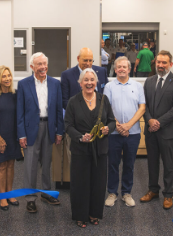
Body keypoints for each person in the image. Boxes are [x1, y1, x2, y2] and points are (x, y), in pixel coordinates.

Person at [65, 68, 116, 228]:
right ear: (80, 83)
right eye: (85, 80)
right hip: (80, 149)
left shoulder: (104, 99)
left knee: (98, 183)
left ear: (96, 83)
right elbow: (68, 125)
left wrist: (109, 128)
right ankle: (80, 215)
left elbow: (112, 121)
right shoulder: (73, 101)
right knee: (80, 183)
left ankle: (95, 213)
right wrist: (80, 137)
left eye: (92, 80)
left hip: (100, 149)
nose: (89, 83)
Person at [17, 53, 64, 213]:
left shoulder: (55, 83)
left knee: (46, 163)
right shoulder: (23, 84)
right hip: (31, 129)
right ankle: (30, 198)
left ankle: (46, 192)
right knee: (30, 165)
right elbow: (20, 112)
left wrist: (59, 131)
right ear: (32, 67)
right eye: (39, 64)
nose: (43, 67)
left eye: (45, 63)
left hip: (49, 127)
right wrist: (21, 134)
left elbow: (58, 109)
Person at [140, 50, 173, 210]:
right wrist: (149, 120)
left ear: (170, 64)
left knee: (168, 163)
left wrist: (158, 122)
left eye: (164, 62)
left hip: (167, 130)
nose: (160, 65)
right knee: (151, 162)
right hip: (151, 130)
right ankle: (153, 190)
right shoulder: (149, 80)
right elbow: (143, 104)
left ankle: (168, 194)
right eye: (158, 62)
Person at [60, 48, 108, 178]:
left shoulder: (102, 72)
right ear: (78, 59)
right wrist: (82, 113)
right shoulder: (67, 75)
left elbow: (104, 98)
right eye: (84, 60)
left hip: (98, 130)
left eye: (90, 60)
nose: (88, 63)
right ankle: (79, 190)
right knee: (78, 166)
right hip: (77, 128)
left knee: (98, 166)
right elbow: (64, 101)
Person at [103, 57, 145, 207]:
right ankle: (112, 193)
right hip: (113, 133)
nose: (121, 69)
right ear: (115, 69)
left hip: (132, 133)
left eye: (124, 67)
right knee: (113, 164)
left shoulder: (137, 86)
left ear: (129, 69)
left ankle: (126, 193)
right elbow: (106, 108)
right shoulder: (109, 86)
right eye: (118, 67)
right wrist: (119, 126)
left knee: (129, 164)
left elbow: (142, 108)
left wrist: (128, 126)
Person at [0, 65, 21, 211]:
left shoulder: (16, 94)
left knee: (11, 165)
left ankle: (10, 193)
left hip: (13, 135)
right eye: (4, 76)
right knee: (1, 165)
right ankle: (2, 197)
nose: (7, 78)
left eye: (9, 75)